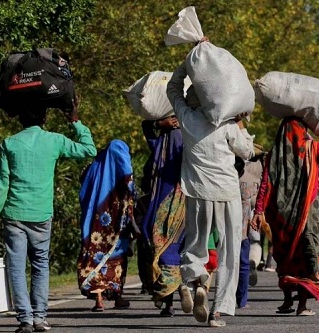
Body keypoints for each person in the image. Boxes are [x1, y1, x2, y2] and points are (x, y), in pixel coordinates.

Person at [0, 97, 97, 333]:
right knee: (40, 264)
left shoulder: (9, 144)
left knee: (16, 266)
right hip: (42, 214)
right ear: (44, 118)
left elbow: (1, 186)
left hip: (14, 214)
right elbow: (89, 149)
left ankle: (24, 318)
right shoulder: (54, 141)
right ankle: (40, 318)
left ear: (20, 119)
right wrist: (75, 120)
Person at [166, 61, 257, 327]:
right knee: (229, 248)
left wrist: (187, 64)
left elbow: (173, 89)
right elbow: (248, 152)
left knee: (196, 242)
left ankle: (194, 280)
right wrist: (240, 125)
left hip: (196, 191)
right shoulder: (226, 124)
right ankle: (219, 310)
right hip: (227, 192)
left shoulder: (186, 117)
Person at [252, 115, 319, 317]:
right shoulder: (311, 147)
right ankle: (302, 305)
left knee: (286, 256)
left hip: (281, 216)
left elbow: (266, 184)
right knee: (306, 252)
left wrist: (259, 211)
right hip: (308, 214)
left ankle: (288, 300)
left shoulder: (274, 155)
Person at [135, 116, 192, 317]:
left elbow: (146, 127)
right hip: (185, 204)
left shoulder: (161, 144)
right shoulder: (190, 141)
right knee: (181, 248)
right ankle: (185, 287)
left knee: (162, 249)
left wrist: (160, 125)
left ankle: (168, 300)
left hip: (162, 205)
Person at [77, 139, 139, 312]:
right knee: (118, 257)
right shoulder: (122, 171)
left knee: (96, 253)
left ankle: (99, 299)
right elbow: (131, 187)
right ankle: (118, 296)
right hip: (117, 222)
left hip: (94, 221)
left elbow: (83, 191)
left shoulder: (94, 166)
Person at [235, 154, 265, 308]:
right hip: (243, 232)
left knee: (225, 264)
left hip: (223, 232)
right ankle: (241, 300)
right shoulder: (250, 182)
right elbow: (256, 202)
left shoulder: (223, 182)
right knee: (243, 265)